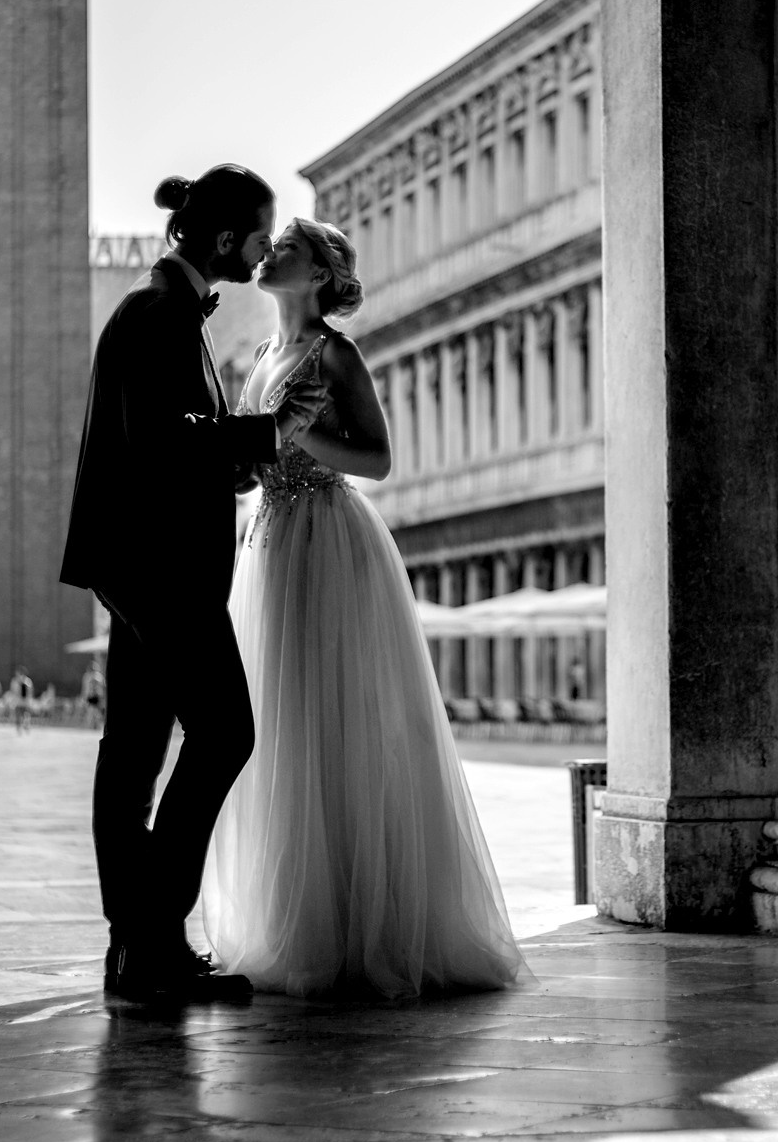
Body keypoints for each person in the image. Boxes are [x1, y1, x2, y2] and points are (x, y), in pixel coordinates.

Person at [200, 217, 527, 999]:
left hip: (329, 542)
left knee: (335, 719)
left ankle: (361, 927)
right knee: (283, 725)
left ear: (317, 275)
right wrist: (245, 460)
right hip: (271, 545)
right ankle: (299, 918)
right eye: (272, 245)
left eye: (286, 248)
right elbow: (255, 463)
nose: (269, 253)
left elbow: (377, 458)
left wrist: (301, 440)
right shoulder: (262, 360)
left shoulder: (334, 354)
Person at [61, 167, 330, 1005]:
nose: (260, 252)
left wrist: (241, 464)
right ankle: (151, 934)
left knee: (135, 754)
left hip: (144, 569)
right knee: (224, 734)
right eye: (258, 238)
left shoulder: (164, 313)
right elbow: (175, 438)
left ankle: (138, 950)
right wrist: (271, 428)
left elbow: (174, 446)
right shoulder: (159, 314)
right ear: (223, 241)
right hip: (163, 573)